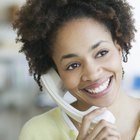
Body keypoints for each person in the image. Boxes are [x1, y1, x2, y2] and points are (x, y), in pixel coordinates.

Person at [13, 0, 140, 139]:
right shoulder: (36, 133)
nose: (92, 74)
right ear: (57, 74)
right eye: (73, 65)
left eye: (101, 53)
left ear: (119, 49)